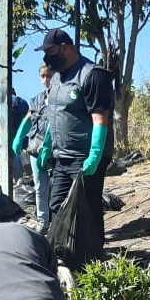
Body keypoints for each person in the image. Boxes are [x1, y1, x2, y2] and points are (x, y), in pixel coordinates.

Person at [36, 29, 116, 254]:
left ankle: (93, 258)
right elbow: (55, 114)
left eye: (51, 52)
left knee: (88, 208)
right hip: (61, 156)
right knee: (57, 205)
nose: (47, 58)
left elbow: (100, 118)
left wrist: (95, 155)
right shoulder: (57, 79)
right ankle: (64, 255)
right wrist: (47, 144)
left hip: (85, 156)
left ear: (66, 47)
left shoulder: (92, 75)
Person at [13, 63, 57, 233]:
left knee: (58, 187)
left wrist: (49, 145)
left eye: (49, 75)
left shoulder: (61, 96)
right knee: (40, 187)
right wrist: (19, 137)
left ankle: (59, 222)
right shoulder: (38, 99)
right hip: (36, 149)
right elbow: (29, 117)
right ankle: (43, 222)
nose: (46, 79)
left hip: (56, 149)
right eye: (43, 76)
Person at [0, 88, 29, 182]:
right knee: (17, 155)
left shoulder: (1, 103)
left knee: (4, 157)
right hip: (19, 136)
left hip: (5, 137)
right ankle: (18, 180)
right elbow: (29, 119)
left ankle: (6, 180)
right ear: (15, 93)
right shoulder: (23, 102)